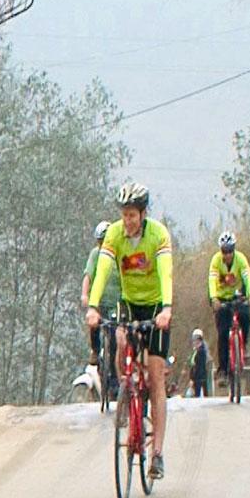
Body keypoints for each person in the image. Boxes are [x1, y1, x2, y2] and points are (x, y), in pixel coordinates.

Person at [86, 182, 174, 479]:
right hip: (128, 302)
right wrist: (93, 306)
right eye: (124, 215)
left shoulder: (158, 235)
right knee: (120, 338)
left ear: (143, 214)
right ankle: (127, 389)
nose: (128, 221)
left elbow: (165, 272)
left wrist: (166, 308)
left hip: (155, 306)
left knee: (157, 376)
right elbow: (102, 271)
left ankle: (157, 453)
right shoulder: (114, 234)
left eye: (132, 215)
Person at [208, 231, 250, 382]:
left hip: (238, 296)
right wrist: (214, 298)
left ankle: (244, 345)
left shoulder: (241, 259)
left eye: (230, 251)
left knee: (245, 316)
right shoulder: (216, 261)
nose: (228, 255)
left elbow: (247, 277)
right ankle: (223, 370)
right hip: (221, 298)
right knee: (223, 332)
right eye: (225, 251)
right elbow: (212, 281)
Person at [82, 220, 119, 368]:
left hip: (116, 304)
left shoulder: (120, 255)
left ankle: (113, 369)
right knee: (94, 324)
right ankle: (95, 351)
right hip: (99, 302)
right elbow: (88, 275)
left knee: (115, 335)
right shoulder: (95, 254)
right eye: (100, 242)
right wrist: (85, 295)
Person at [189, 328, 209, 398]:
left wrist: (193, 379)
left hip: (199, 379)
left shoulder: (201, 351)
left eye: (196, 339)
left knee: (200, 396)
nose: (194, 342)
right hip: (198, 378)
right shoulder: (196, 351)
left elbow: (199, 367)